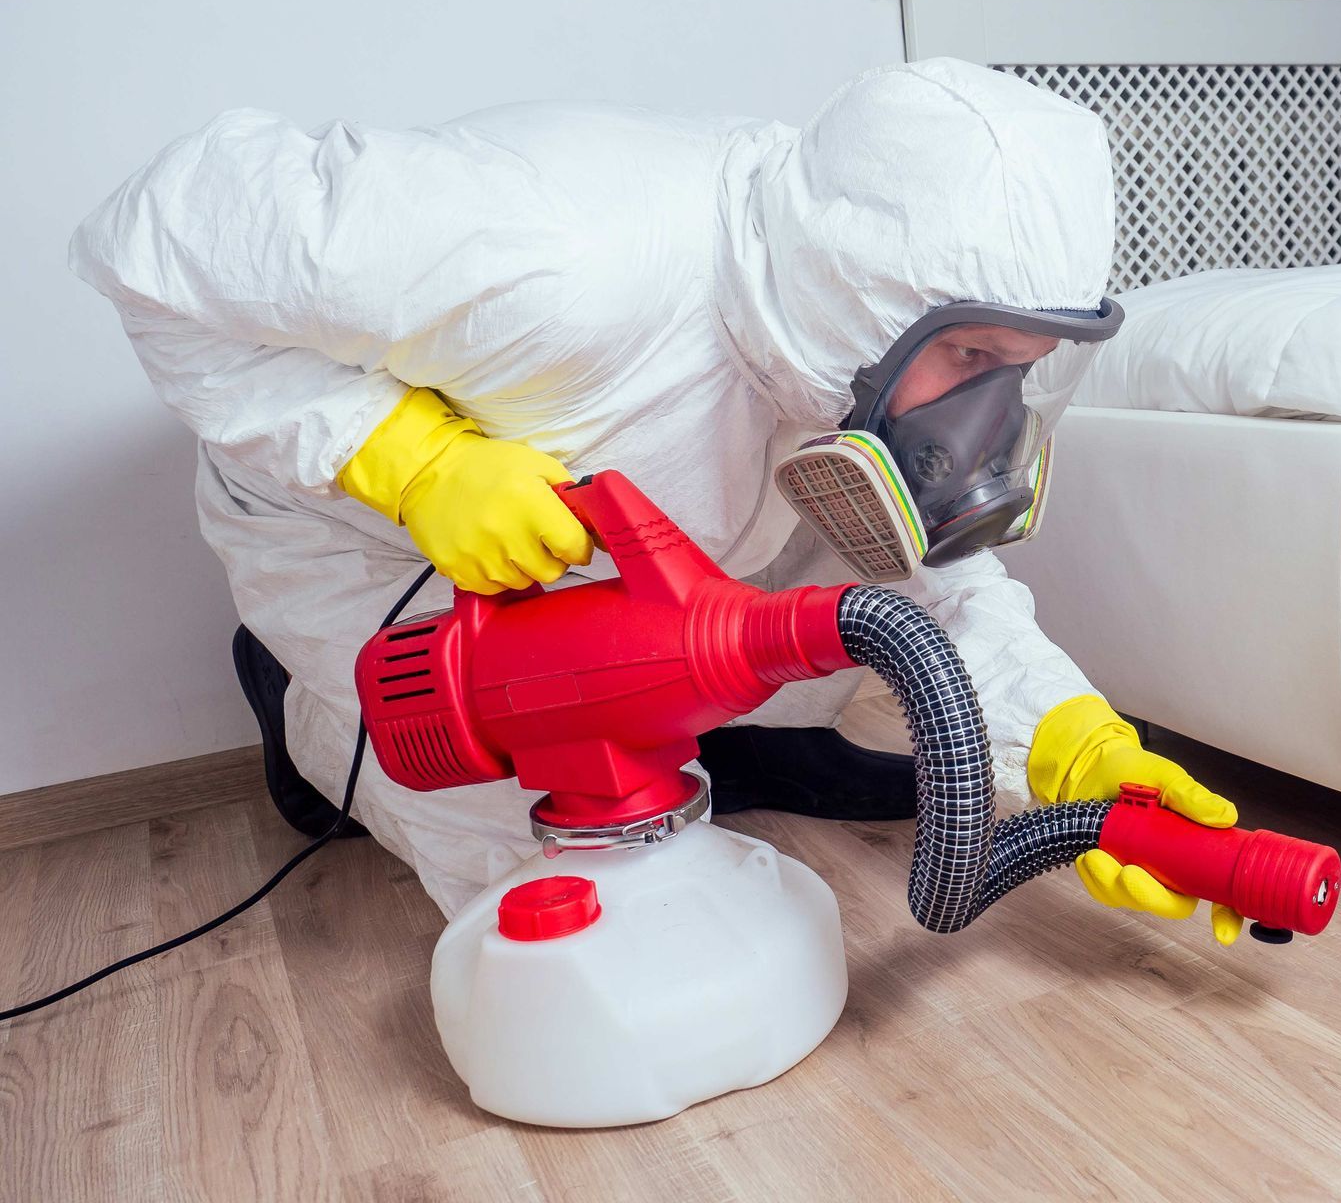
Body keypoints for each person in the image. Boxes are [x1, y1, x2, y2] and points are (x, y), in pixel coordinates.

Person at [72, 59, 1245, 943]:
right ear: (866, 290)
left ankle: (680, 731)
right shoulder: (551, 251)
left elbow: (926, 597)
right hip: (368, 546)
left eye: (1018, 365)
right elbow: (157, 233)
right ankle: (308, 718)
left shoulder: (823, 338)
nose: (983, 412)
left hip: (649, 514)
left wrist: (1081, 748)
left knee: (915, 736)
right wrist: (404, 454)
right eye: (972, 355)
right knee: (561, 904)